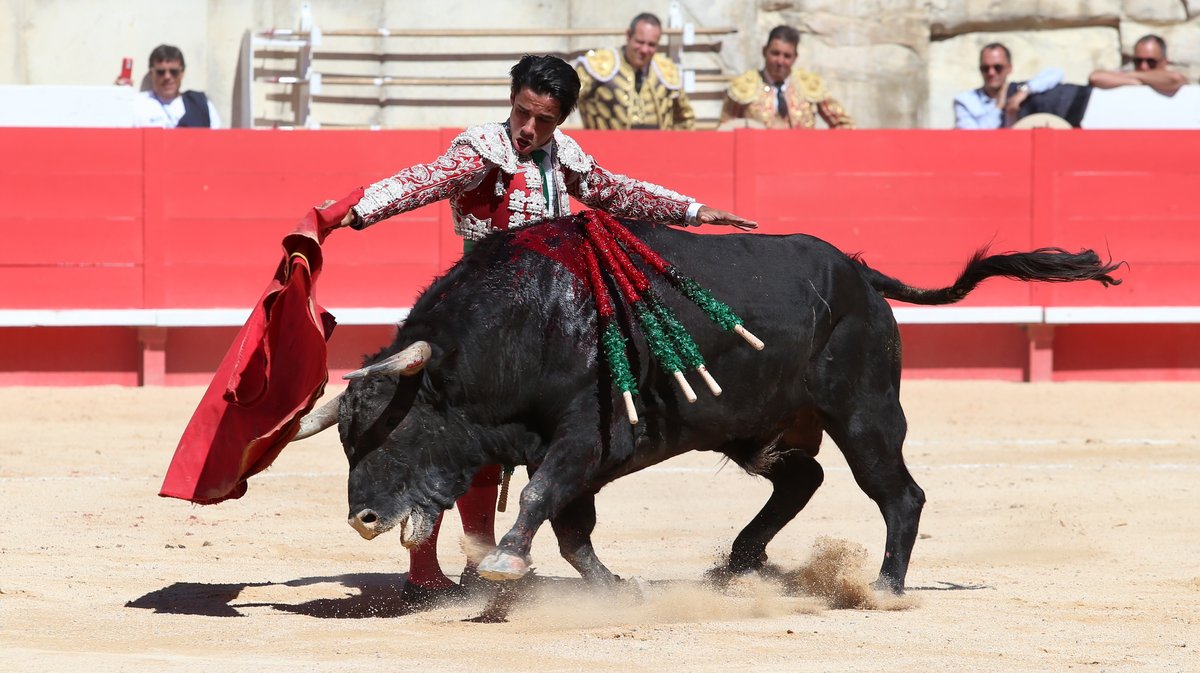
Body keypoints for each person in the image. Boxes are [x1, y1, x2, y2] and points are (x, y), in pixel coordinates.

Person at [332, 54, 755, 605]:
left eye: (545, 120)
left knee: (510, 440)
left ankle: (481, 559)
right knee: (448, 432)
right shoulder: (482, 150)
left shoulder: (563, 156)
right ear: (512, 98)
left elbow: (614, 191)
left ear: (562, 119)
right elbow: (421, 182)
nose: (529, 129)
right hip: (479, 317)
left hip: (542, 324)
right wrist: (355, 210)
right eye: (522, 112)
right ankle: (423, 569)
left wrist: (693, 210)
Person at [719, 25, 854, 130]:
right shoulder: (744, 86)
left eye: (787, 56)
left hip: (803, 161)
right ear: (764, 51)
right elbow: (725, 130)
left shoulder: (808, 85)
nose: (780, 61)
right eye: (775, 53)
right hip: (758, 161)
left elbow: (843, 124)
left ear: (795, 57)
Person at [574, 13, 695, 130]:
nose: (644, 49)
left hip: (657, 148)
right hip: (603, 148)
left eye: (651, 44)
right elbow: (565, 101)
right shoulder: (596, 65)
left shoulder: (667, 70)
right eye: (640, 42)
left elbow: (685, 119)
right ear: (628, 35)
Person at [954, 43, 1065, 129]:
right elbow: (972, 139)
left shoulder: (1018, 90)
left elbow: (1056, 73)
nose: (991, 73)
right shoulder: (965, 101)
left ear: (1009, 68)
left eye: (998, 67)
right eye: (985, 68)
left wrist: (1024, 91)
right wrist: (1000, 108)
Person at [132, 44, 221, 128]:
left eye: (173, 72)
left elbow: (217, 139)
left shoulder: (201, 104)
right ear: (151, 73)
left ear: (182, 73)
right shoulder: (138, 104)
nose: (167, 77)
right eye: (161, 72)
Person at [1088, 34, 1188, 97]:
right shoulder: (1129, 75)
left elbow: (1175, 79)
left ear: (1165, 61)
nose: (1144, 66)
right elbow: (1095, 77)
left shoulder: (1129, 75)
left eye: (1151, 62)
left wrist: (1133, 77)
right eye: (1138, 61)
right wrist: (1136, 81)